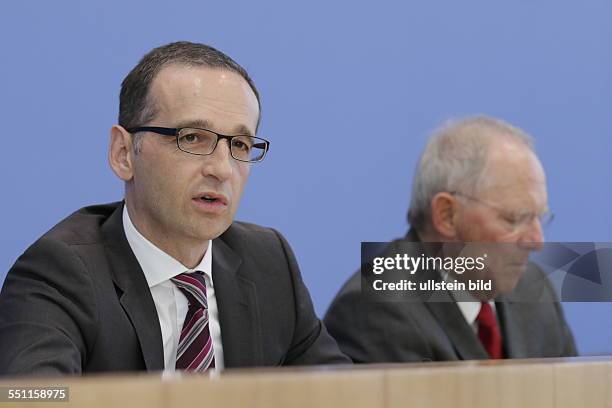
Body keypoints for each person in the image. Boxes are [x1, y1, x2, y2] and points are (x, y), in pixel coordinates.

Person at [0, 41, 349, 376]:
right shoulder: (60, 273)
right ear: (124, 153)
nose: (223, 169)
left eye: (240, 144)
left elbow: (347, 395)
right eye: (192, 138)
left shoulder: (269, 264)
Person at [324, 116, 577, 362]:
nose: (537, 242)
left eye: (538, 218)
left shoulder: (534, 290)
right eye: (514, 219)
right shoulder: (375, 311)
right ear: (447, 215)